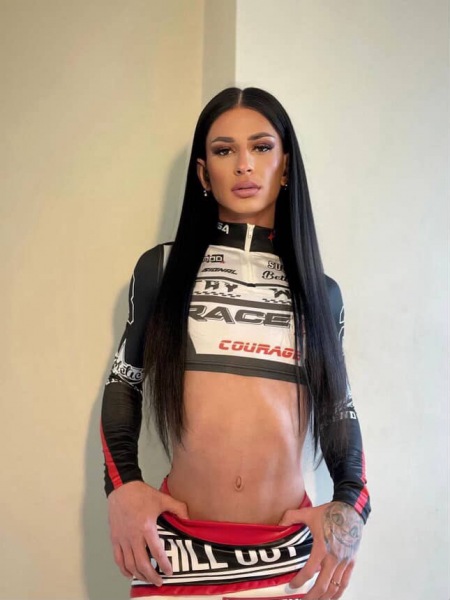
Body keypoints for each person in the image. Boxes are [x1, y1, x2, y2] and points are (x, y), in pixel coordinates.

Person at [100, 87, 371, 600]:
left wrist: (353, 506)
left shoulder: (322, 293)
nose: (244, 164)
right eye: (225, 151)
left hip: (286, 556)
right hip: (176, 553)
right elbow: (124, 383)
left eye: (262, 147)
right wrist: (122, 487)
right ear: (204, 174)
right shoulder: (162, 268)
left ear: (285, 166)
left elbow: (339, 409)